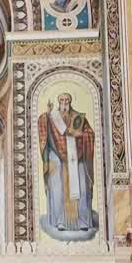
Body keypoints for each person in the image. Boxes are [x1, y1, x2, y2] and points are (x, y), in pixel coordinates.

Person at [38, 93, 96, 236]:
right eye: (62, 100)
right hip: (59, 156)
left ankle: (83, 221)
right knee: (57, 183)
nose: (64, 103)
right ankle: (60, 221)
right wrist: (47, 114)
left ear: (70, 102)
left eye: (66, 101)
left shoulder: (78, 118)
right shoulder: (52, 117)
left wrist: (80, 135)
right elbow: (44, 128)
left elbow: (90, 133)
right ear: (59, 102)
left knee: (82, 184)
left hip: (78, 157)